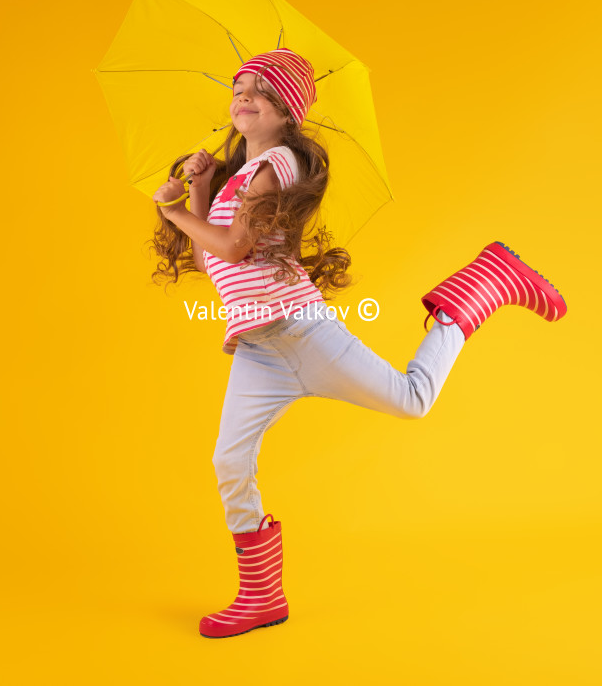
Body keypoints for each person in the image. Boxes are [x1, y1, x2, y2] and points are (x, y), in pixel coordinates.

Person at [149, 48, 568, 639]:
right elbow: (205, 252)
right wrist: (194, 191)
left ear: (284, 111)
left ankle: (482, 288)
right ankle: (261, 596)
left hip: (300, 330)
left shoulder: (280, 164)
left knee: (412, 399)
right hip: (259, 349)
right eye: (237, 89)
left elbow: (236, 249)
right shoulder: (236, 179)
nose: (241, 97)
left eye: (258, 91)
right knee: (228, 460)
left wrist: (169, 208)